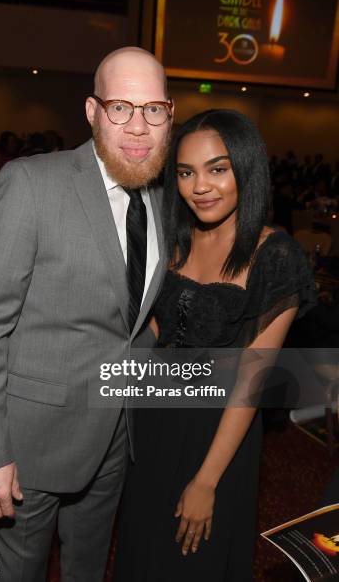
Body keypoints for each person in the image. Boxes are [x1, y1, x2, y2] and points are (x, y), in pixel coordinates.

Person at [0, 47, 173, 582]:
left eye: (154, 110)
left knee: (89, 570)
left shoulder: (164, 197)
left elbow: (130, 319)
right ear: (93, 111)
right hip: (29, 445)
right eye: (121, 107)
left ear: (170, 115)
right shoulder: (33, 184)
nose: (138, 127)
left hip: (115, 438)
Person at [113, 109, 316, 581]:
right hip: (154, 421)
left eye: (217, 169)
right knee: (142, 551)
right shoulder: (176, 239)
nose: (199, 186)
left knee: (195, 561)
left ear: (246, 168)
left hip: (219, 437)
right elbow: (160, 332)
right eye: (185, 172)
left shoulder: (275, 254)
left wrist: (207, 481)